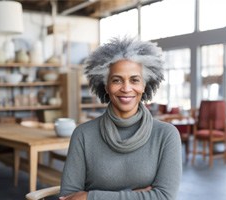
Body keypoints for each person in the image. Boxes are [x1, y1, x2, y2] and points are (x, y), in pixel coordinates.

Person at [59, 37, 182, 200]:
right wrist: (138, 195)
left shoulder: (166, 135)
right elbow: (69, 197)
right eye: (117, 80)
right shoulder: (83, 134)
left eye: (134, 80)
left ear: (144, 85)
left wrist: (90, 197)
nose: (126, 88)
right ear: (106, 86)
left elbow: (165, 197)